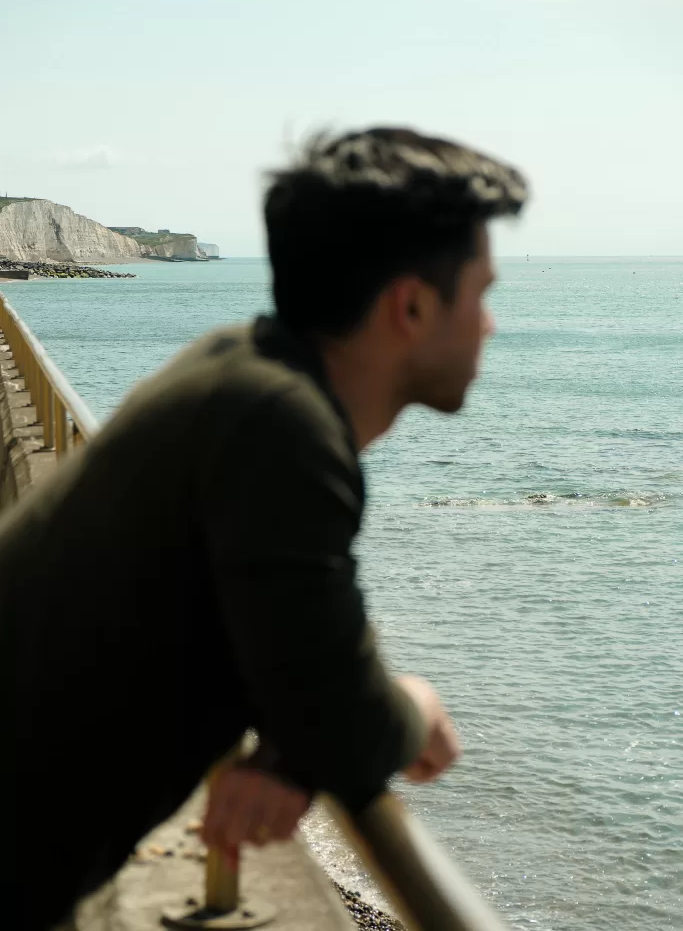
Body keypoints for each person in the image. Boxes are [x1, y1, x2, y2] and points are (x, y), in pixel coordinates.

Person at [0, 127, 528, 930]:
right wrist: (414, 705)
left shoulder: (238, 368)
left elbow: (292, 646)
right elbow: (344, 717)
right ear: (411, 305)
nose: (491, 325)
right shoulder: (283, 429)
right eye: (481, 294)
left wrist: (294, 745)